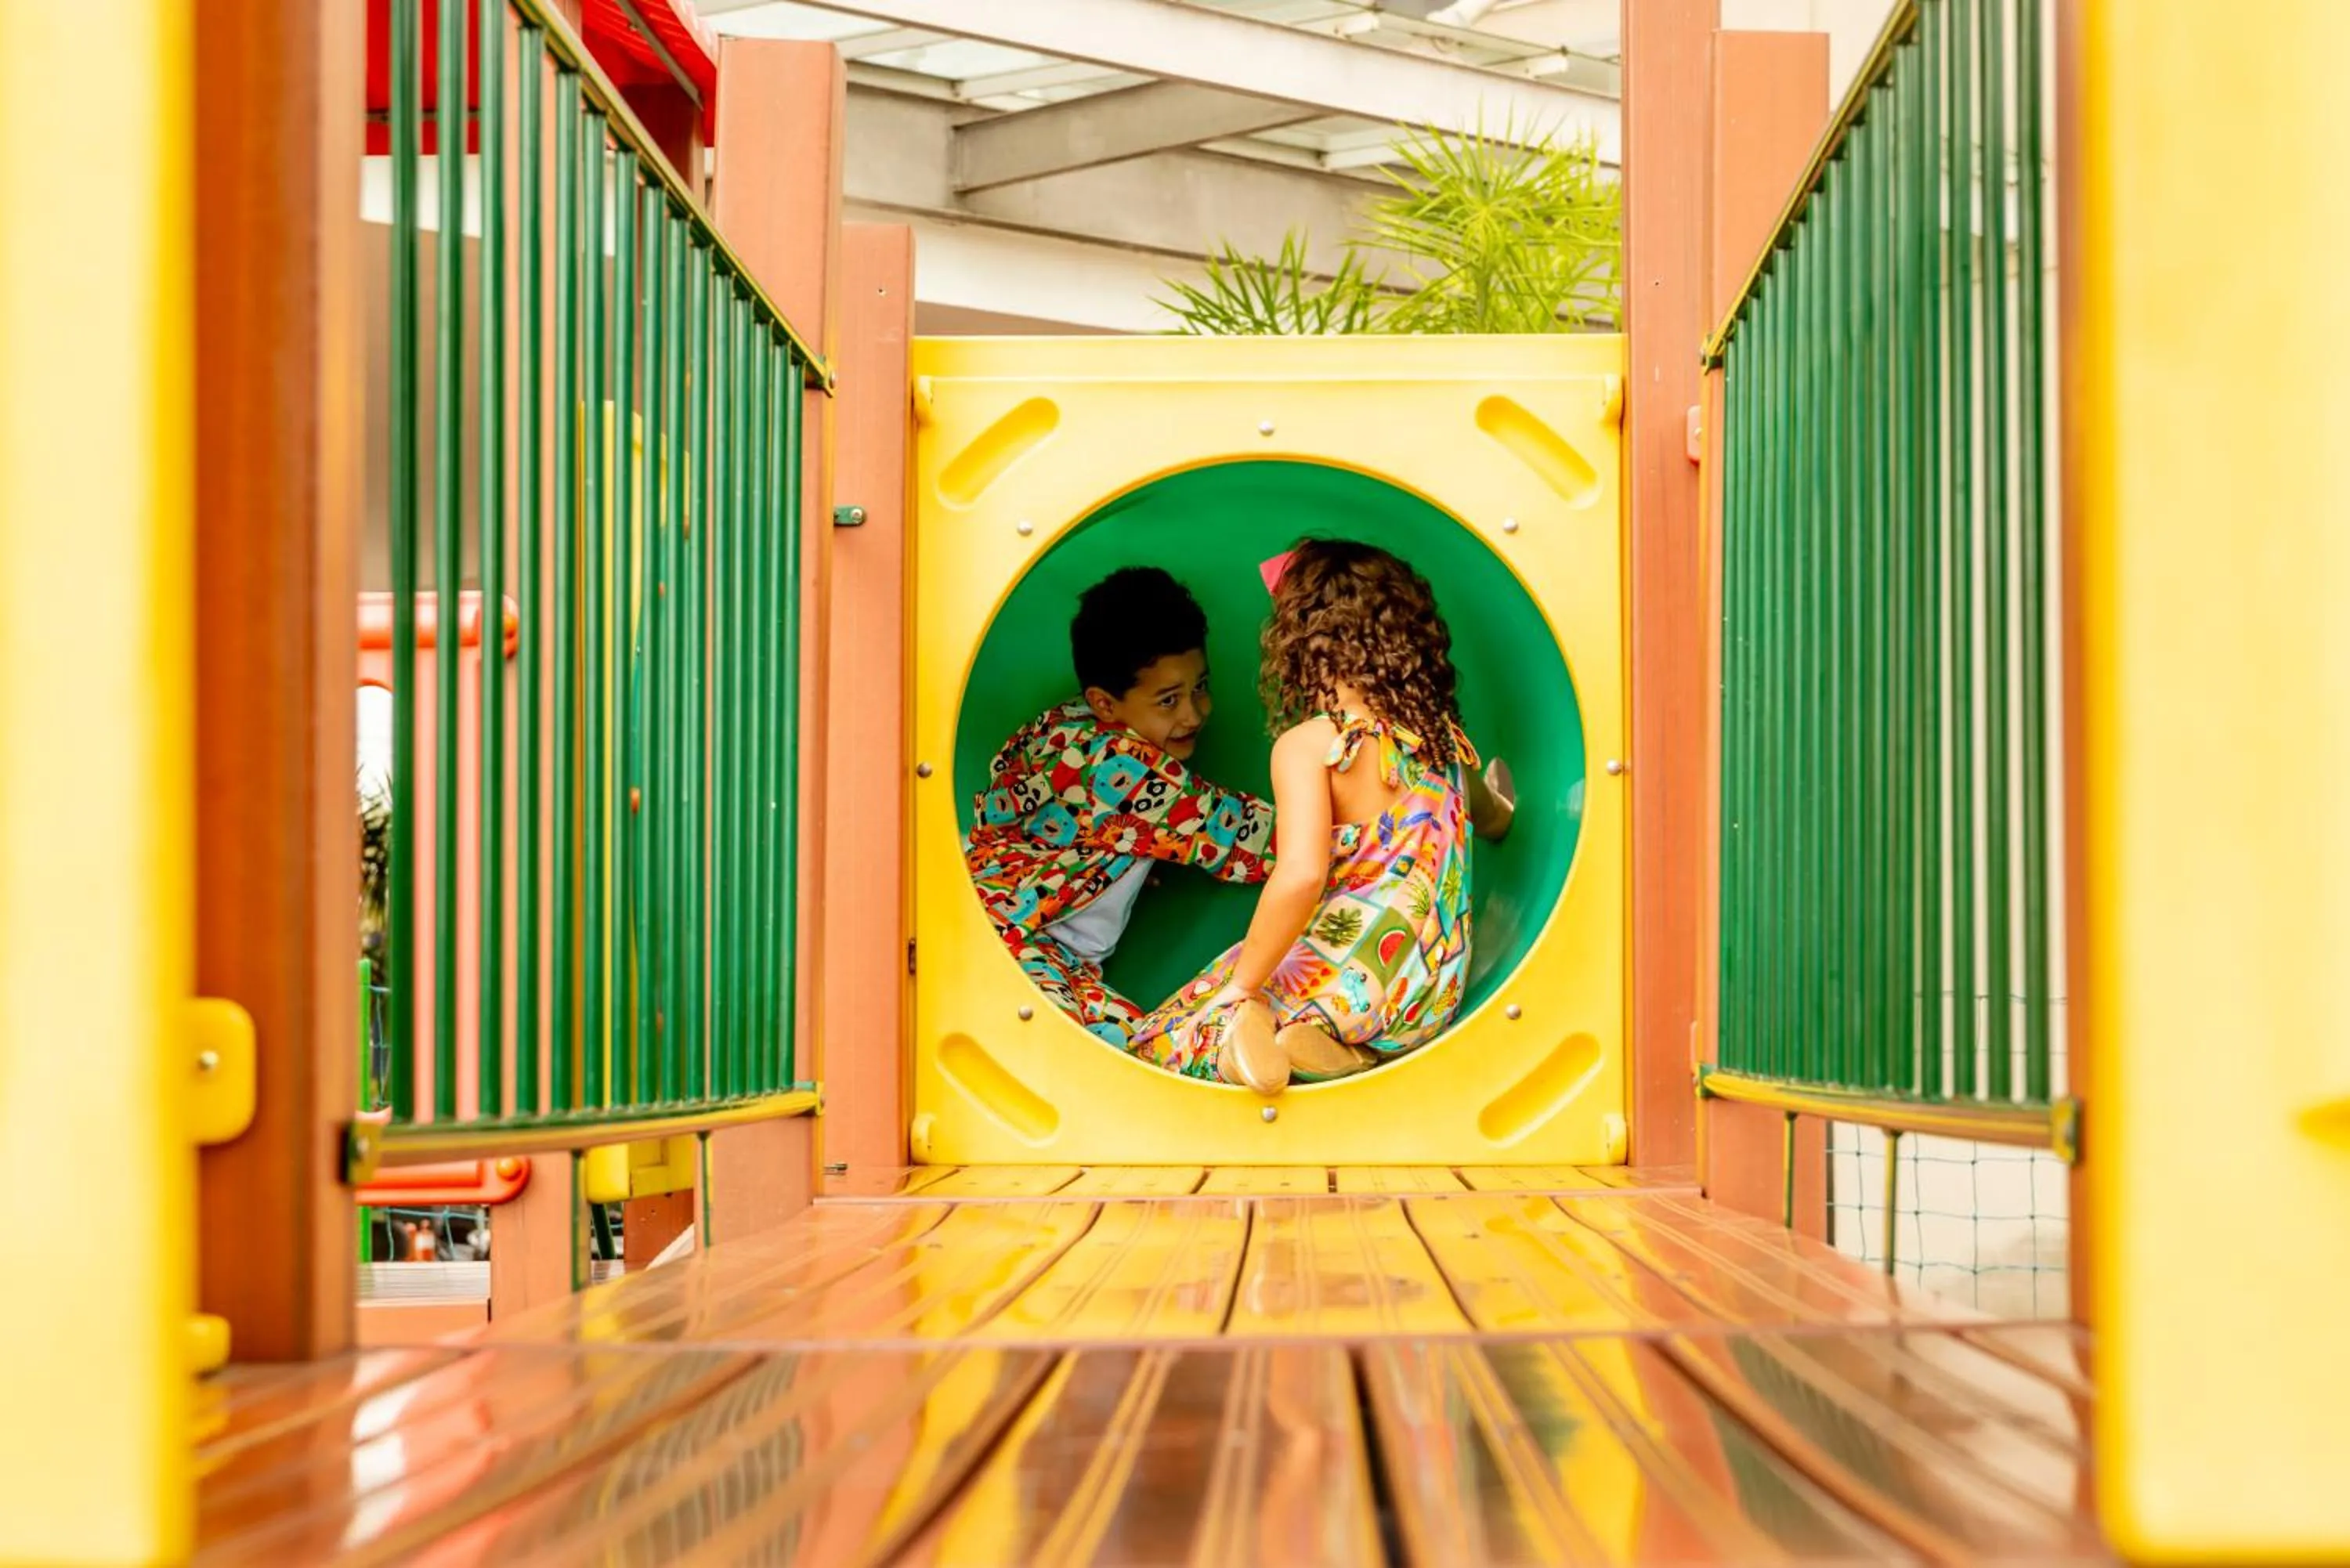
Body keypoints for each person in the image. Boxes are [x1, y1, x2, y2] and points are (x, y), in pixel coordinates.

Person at [1126, 539, 1514, 1094]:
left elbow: (1302, 875)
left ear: (1301, 645)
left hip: (1343, 971)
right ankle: (1335, 1050)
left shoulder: (1314, 745)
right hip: (1426, 995)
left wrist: (1244, 985)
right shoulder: (1441, 741)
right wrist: (1500, 801)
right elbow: (1492, 817)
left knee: (1175, 1030)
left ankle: (1235, 1045)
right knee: (1309, 1012)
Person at [964, 566, 1275, 1043]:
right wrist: (1370, 824)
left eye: (1200, 686)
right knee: (1110, 1053)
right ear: (1106, 704)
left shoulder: (1065, 727)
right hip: (1017, 945)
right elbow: (1249, 839)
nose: (1194, 713)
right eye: (1168, 701)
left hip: (993, 923)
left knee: (1129, 1046)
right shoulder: (1122, 767)